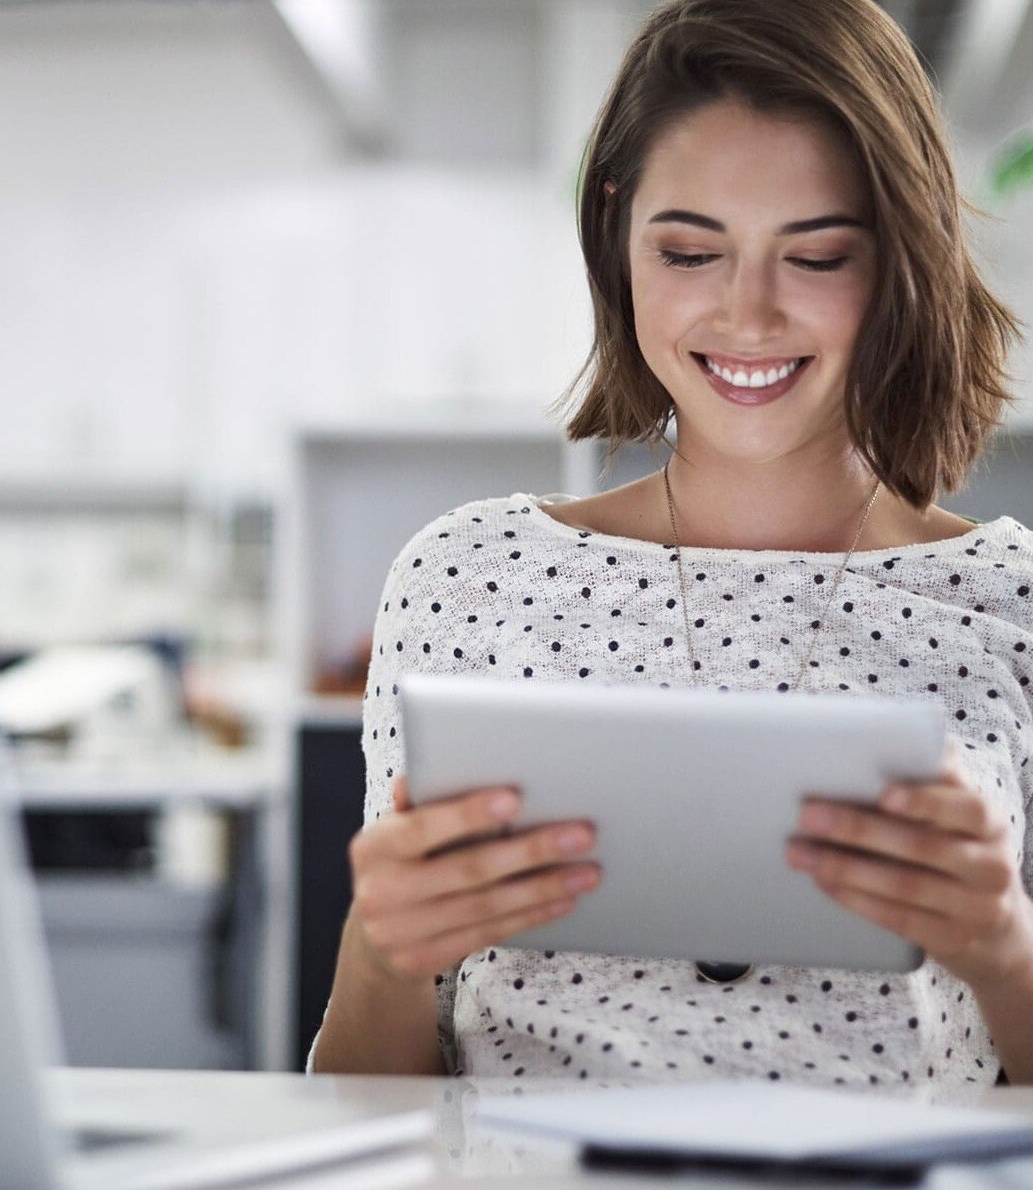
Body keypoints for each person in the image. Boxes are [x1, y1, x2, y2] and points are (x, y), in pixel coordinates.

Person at [309, 0, 1033, 1097]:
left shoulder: (1009, 599)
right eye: (689, 250)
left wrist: (1002, 952)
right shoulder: (469, 575)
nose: (745, 314)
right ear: (616, 233)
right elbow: (362, 1096)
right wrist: (382, 946)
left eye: (817, 254)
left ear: (901, 259)